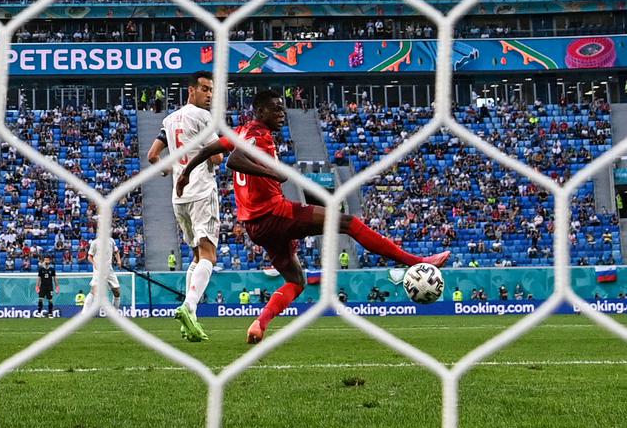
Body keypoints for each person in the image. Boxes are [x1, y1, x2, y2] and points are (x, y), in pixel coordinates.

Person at [181, 89, 449, 345]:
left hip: (255, 226)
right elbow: (233, 160)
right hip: (275, 213)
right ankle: (416, 261)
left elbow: (208, 150)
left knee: (296, 281)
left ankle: (259, 324)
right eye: (275, 109)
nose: (282, 114)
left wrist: (185, 173)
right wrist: (273, 173)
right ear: (260, 112)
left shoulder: (241, 131)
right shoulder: (256, 132)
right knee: (348, 223)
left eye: (283, 109)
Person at [158, 71, 233, 342]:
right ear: (191, 90)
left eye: (211, 90)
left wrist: (171, 169)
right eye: (204, 89)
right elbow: (217, 158)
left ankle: (190, 319)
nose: (209, 94)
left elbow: (153, 156)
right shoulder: (203, 117)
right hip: (201, 191)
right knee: (209, 256)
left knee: (196, 257)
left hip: (179, 196)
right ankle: (189, 307)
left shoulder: (169, 120)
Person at [83, 235, 122, 313]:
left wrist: (119, 260)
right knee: (94, 290)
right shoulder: (95, 243)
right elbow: (89, 257)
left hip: (109, 270)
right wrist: (94, 263)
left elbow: (116, 251)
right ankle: (84, 313)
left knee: (117, 291)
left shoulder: (111, 241)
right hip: (99, 270)